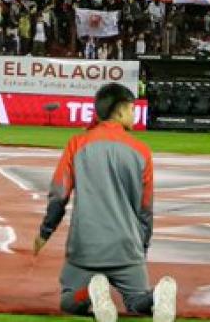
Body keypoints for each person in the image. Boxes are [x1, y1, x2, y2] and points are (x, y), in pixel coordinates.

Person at [33, 82, 176, 322]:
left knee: (69, 301)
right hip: (126, 247)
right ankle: (156, 297)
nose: (134, 114)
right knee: (136, 302)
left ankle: (88, 293)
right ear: (119, 111)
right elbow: (146, 207)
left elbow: (59, 194)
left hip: (85, 246)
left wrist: (45, 232)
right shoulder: (141, 150)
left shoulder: (77, 144)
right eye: (132, 109)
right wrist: (141, 248)